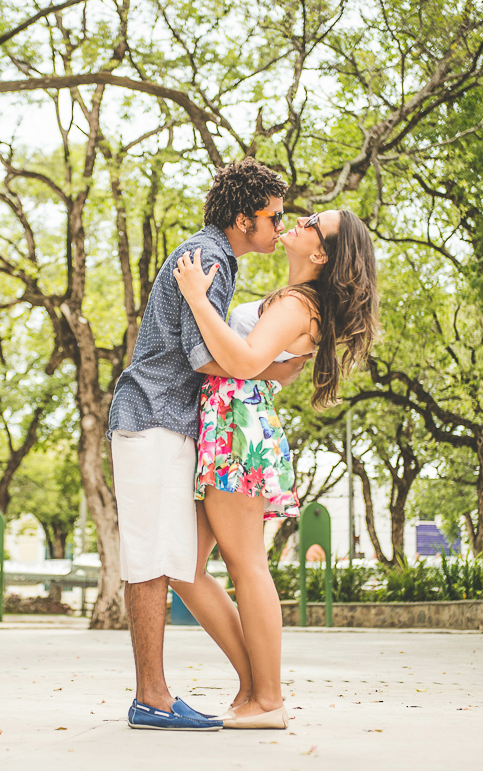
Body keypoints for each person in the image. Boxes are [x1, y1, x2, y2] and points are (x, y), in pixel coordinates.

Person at [106, 158, 306, 731]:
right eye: (274, 216)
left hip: (171, 421)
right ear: (244, 219)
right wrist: (272, 369)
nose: (279, 227)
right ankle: (154, 698)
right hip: (153, 416)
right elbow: (202, 355)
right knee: (151, 558)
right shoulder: (209, 256)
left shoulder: (218, 256)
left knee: (168, 559)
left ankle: (244, 686)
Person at [169, 208, 380, 729]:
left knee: (246, 567)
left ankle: (268, 700)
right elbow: (273, 370)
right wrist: (262, 369)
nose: (300, 220)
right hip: (233, 421)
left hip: (236, 425)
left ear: (321, 253)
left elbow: (244, 362)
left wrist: (197, 298)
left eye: (313, 223)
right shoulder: (298, 303)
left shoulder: (295, 304)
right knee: (184, 567)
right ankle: (254, 686)